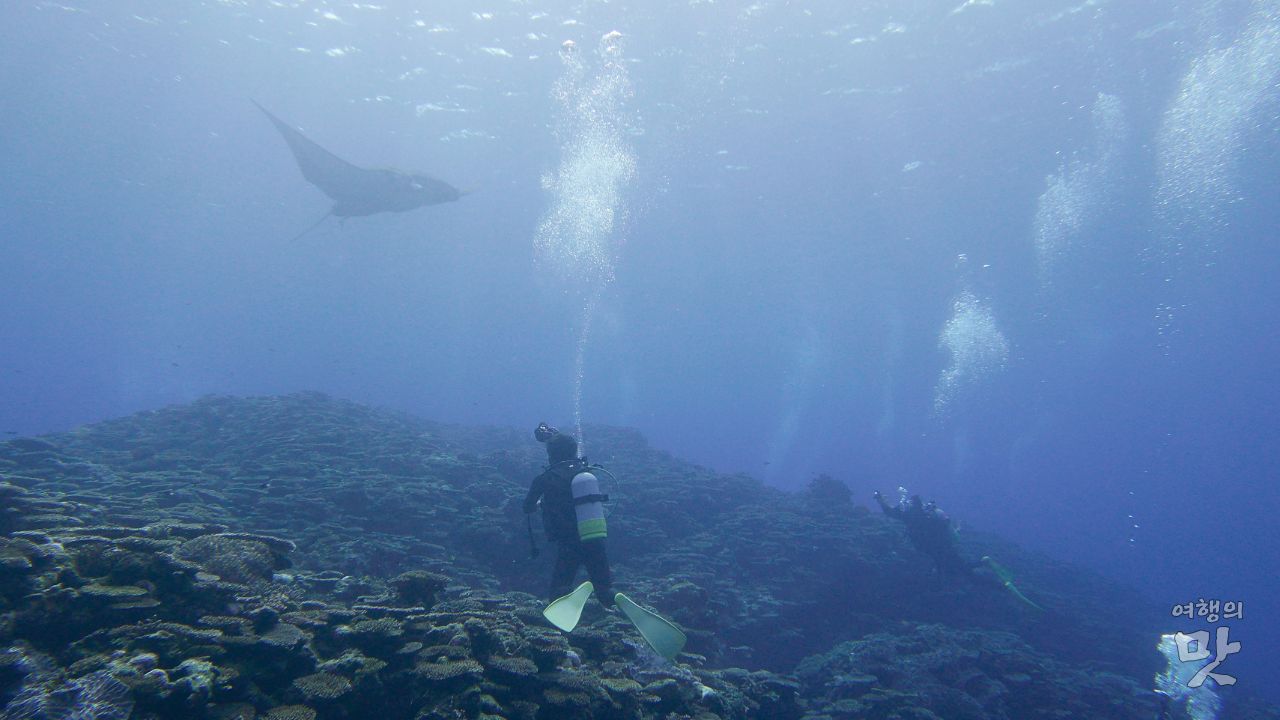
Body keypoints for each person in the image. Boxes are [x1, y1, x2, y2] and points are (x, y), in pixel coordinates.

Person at [874, 489, 1041, 610]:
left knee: (965, 574)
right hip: (944, 549)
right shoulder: (927, 516)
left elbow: (889, 511)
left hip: (939, 553)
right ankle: (987, 569)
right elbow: (947, 531)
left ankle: (998, 580)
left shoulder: (909, 517)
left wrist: (880, 499)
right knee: (956, 571)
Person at [523, 424, 614, 607]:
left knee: (559, 590)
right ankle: (612, 601)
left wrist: (541, 504)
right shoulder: (585, 473)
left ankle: (561, 620)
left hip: (569, 542)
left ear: (550, 455)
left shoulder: (544, 479)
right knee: (604, 588)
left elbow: (527, 507)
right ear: (574, 452)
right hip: (594, 538)